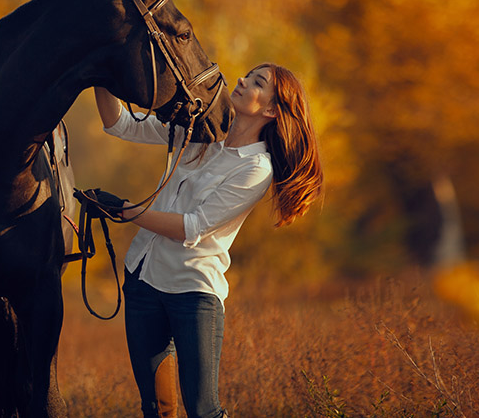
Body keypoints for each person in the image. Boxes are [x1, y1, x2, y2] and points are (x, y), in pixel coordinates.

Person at [92, 63, 323, 418]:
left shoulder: (256, 168)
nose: (243, 80)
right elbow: (119, 124)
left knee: (204, 410)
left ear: (271, 110)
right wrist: (101, 74)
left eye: (257, 82)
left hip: (193, 294)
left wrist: (125, 211)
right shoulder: (198, 131)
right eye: (248, 74)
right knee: (157, 408)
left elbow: (192, 226)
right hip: (141, 280)